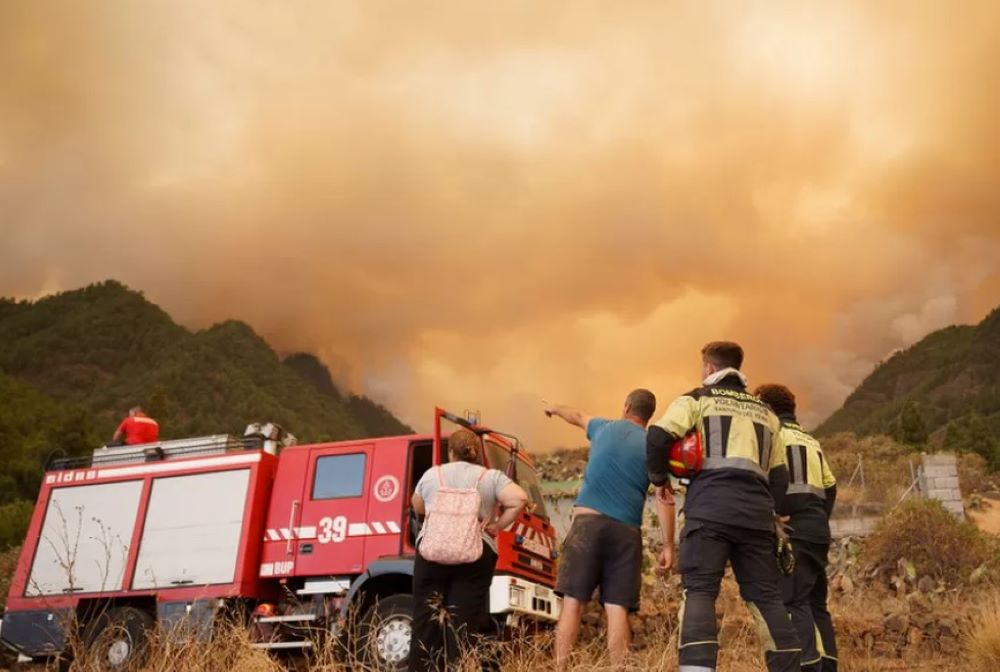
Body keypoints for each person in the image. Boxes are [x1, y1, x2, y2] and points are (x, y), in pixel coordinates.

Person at [646, 341, 801, 672]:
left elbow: (657, 437)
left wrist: (661, 482)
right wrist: (772, 513)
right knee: (766, 597)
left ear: (708, 368)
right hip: (757, 517)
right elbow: (779, 477)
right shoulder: (767, 414)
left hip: (709, 511)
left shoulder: (697, 399)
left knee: (701, 590)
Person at [544, 389, 675, 671]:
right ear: (649, 415)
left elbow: (577, 415)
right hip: (626, 534)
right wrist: (668, 547)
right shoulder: (654, 445)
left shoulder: (603, 427)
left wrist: (555, 407)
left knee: (573, 604)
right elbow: (665, 497)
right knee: (617, 609)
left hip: (587, 526)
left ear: (626, 406)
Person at [410, 428, 529, 672]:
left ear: (451, 452)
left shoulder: (434, 475)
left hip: (432, 553)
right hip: (475, 552)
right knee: (462, 623)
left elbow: (417, 505)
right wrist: (497, 525)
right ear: (476, 453)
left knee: (425, 621)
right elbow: (520, 499)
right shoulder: (490, 477)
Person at [756, 384, 838, 672]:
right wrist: (818, 517)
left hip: (794, 532)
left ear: (766, 408)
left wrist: (776, 513)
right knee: (817, 605)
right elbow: (830, 485)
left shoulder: (771, 435)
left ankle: (807, 667)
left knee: (793, 602)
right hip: (818, 531)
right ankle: (827, 667)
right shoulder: (811, 440)